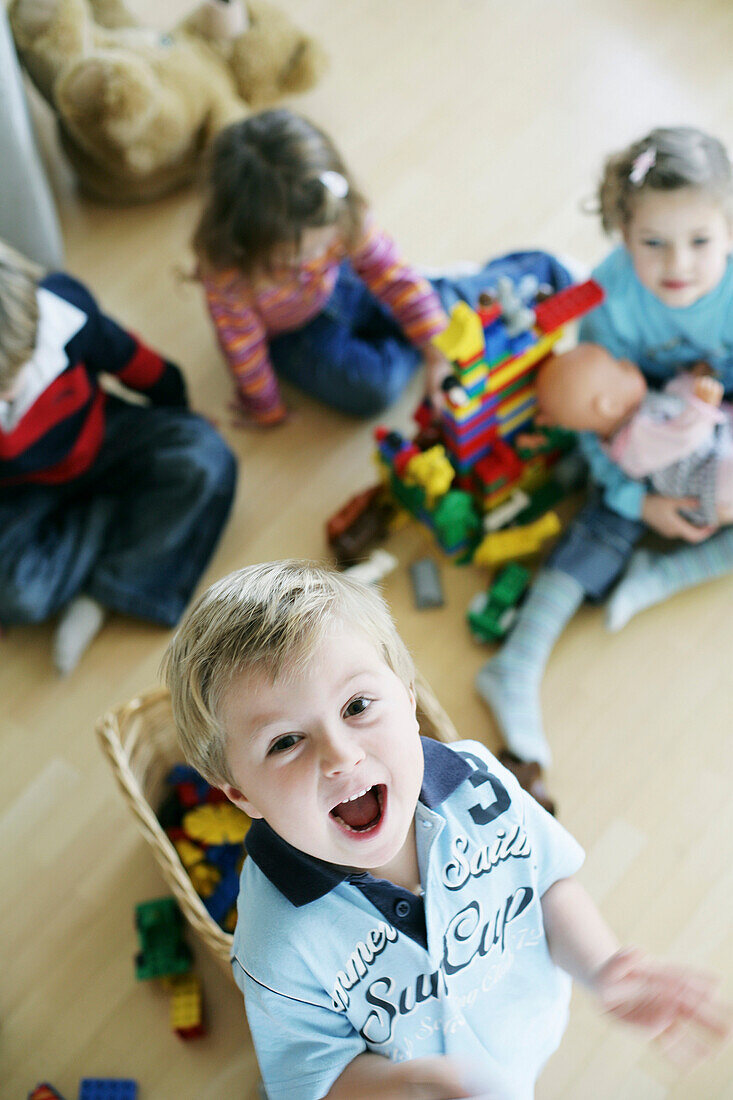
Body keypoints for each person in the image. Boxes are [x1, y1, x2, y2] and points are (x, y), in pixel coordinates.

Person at [163, 561, 729, 1100]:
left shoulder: (477, 783)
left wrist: (605, 969)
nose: (340, 755)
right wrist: (406, 1088)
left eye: (357, 705)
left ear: (408, 699)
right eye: (285, 741)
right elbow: (315, 1077)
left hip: (521, 1034)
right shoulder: (276, 943)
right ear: (239, 795)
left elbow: (546, 881)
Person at [476, 125, 733, 770]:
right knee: (606, 517)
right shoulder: (607, 305)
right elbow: (590, 421)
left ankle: (664, 575)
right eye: (653, 243)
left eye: (701, 242)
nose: (678, 265)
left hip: (712, 429)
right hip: (638, 433)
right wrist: (640, 505)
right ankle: (517, 663)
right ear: (622, 235)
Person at [192, 108, 574, 427]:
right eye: (293, 258)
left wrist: (437, 352)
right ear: (244, 245)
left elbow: (387, 272)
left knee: (425, 305)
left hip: (347, 285)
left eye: (325, 244)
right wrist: (264, 406)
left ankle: (531, 271)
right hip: (294, 334)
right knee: (375, 388)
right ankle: (434, 298)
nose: (312, 259)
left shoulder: (337, 211)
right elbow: (242, 347)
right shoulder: (230, 277)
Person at [0, 239, 237, 673]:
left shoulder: (65, 312)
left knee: (204, 457)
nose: (10, 393)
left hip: (103, 435)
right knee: (16, 595)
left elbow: (137, 364)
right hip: (18, 491)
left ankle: (106, 591)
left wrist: (178, 413)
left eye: (13, 376)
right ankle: (120, 514)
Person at [535, 343, 733, 528]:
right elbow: (683, 438)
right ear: (609, 406)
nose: (626, 362)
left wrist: (691, 381)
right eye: (619, 366)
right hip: (709, 479)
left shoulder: (638, 416)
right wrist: (702, 407)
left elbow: (673, 401)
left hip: (717, 440)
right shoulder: (634, 443)